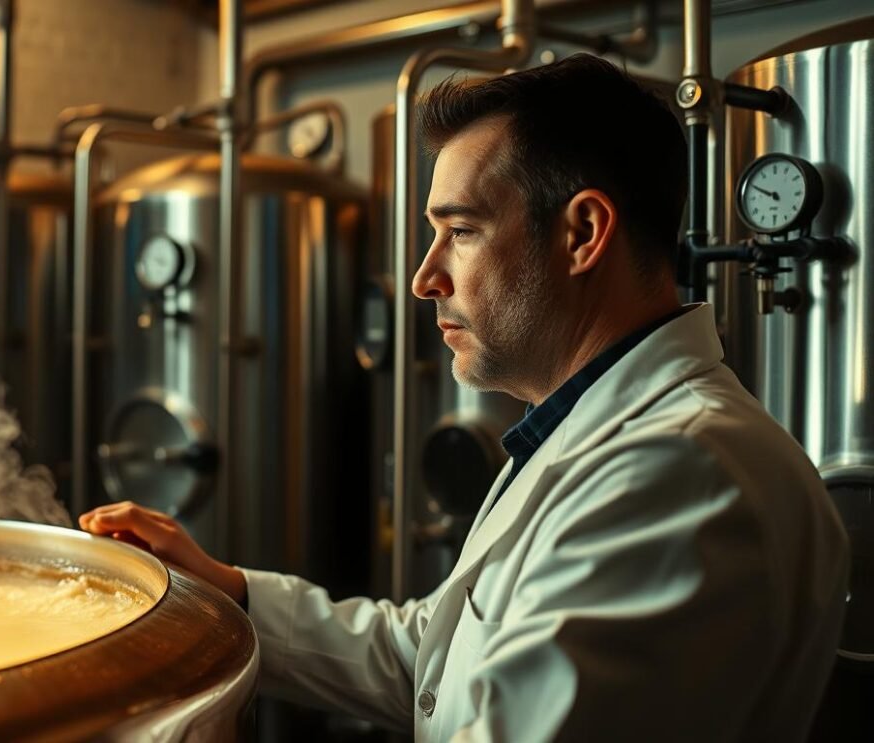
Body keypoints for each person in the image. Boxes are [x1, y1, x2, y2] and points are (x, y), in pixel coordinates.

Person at [79, 55, 849, 741]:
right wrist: (230, 593)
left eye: (462, 231)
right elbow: (436, 661)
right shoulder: (589, 431)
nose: (424, 277)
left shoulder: (677, 472)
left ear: (583, 233)